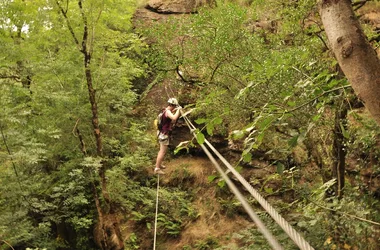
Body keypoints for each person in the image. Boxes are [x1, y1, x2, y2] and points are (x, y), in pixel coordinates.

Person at [154, 98, 182, 174]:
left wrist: (176, 109)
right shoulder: (168, 112)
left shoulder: (165, 110)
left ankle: (159, 164)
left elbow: (170, 113)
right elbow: (174, 118)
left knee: (161, 151)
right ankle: (157, 168)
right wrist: (179, 110)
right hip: (164, 135)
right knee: (162, 152)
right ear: (173, 105)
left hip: (161, 133)